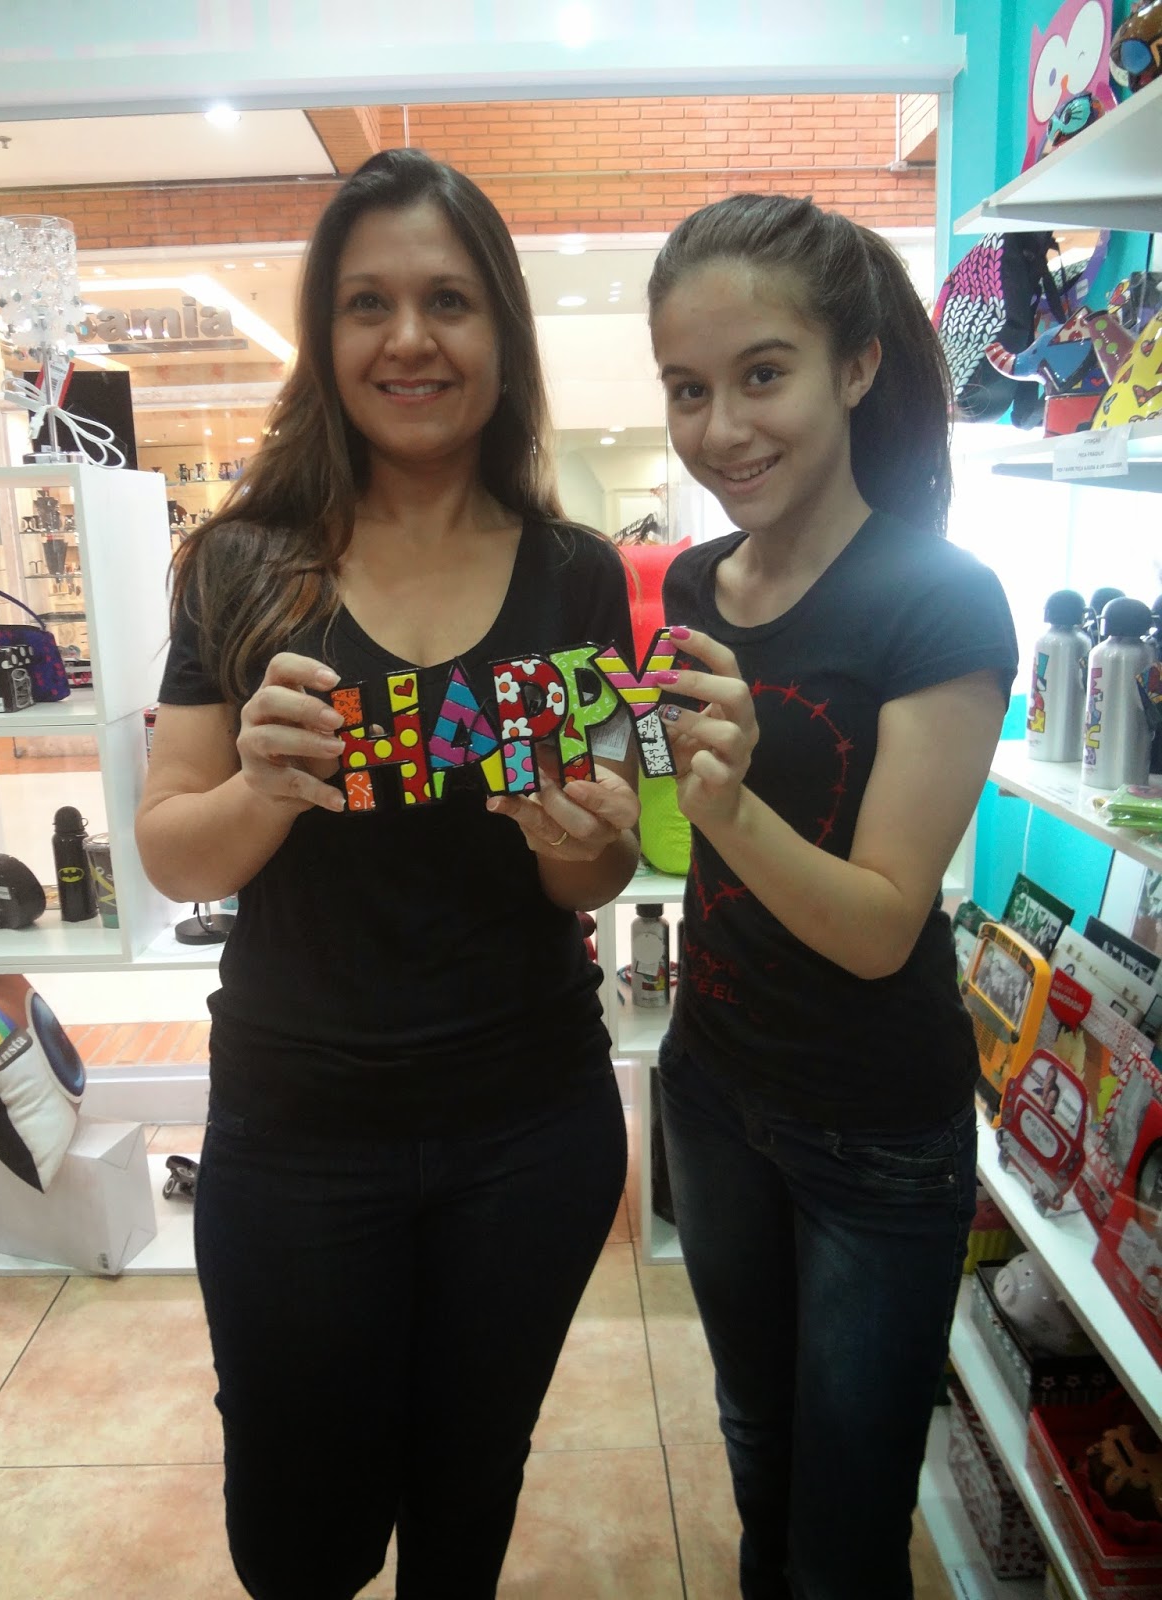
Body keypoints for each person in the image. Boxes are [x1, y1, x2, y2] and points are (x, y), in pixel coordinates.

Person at [135, 149, 641, 1600]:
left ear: (502, 334)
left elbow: (592, 880)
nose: (409, 339)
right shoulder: (241, 566)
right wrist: (260, 788)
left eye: (448, 301)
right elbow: (170, 846)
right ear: (326, 332)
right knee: (296, 1532)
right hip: (299, 1128)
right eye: (368, 303)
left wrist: (583, 840)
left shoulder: (577, 573)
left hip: (527, 1125)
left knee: (468, 1499)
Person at [645, 193, 1019, 1600]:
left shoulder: (941, 600)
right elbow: (681, 821)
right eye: (689, 388)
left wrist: (725, 804)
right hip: (713, 1088)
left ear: (855, 364)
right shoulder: (695, 583)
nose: (722, 428)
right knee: (759, 1444)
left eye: (763, 374)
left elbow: (878, 923)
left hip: (874, 1130)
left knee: (849, 1515)